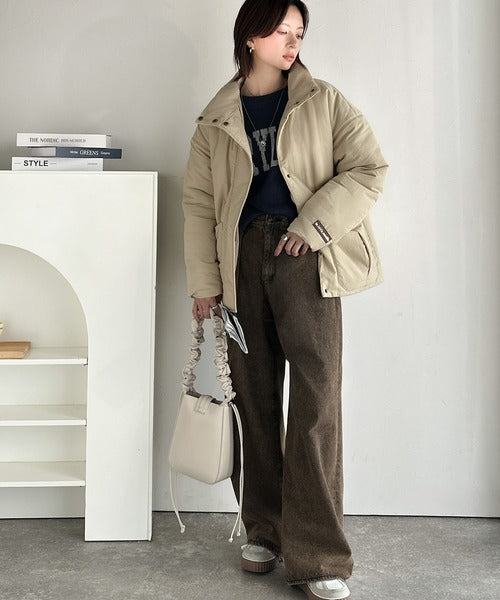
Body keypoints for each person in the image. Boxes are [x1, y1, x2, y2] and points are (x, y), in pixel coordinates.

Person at [182, 1, 388, 598]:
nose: (293, 41)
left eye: (299, 32)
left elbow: (369, 169)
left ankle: (319, 556)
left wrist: (312, 225)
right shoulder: (216, 119)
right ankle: (264, 532)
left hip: (306, 259)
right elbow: (199, 203)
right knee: (254, 398)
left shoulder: (324, 101)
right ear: (250, 37)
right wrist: (205, 282)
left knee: (317, 403)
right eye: (281, 31)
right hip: (242, 260)